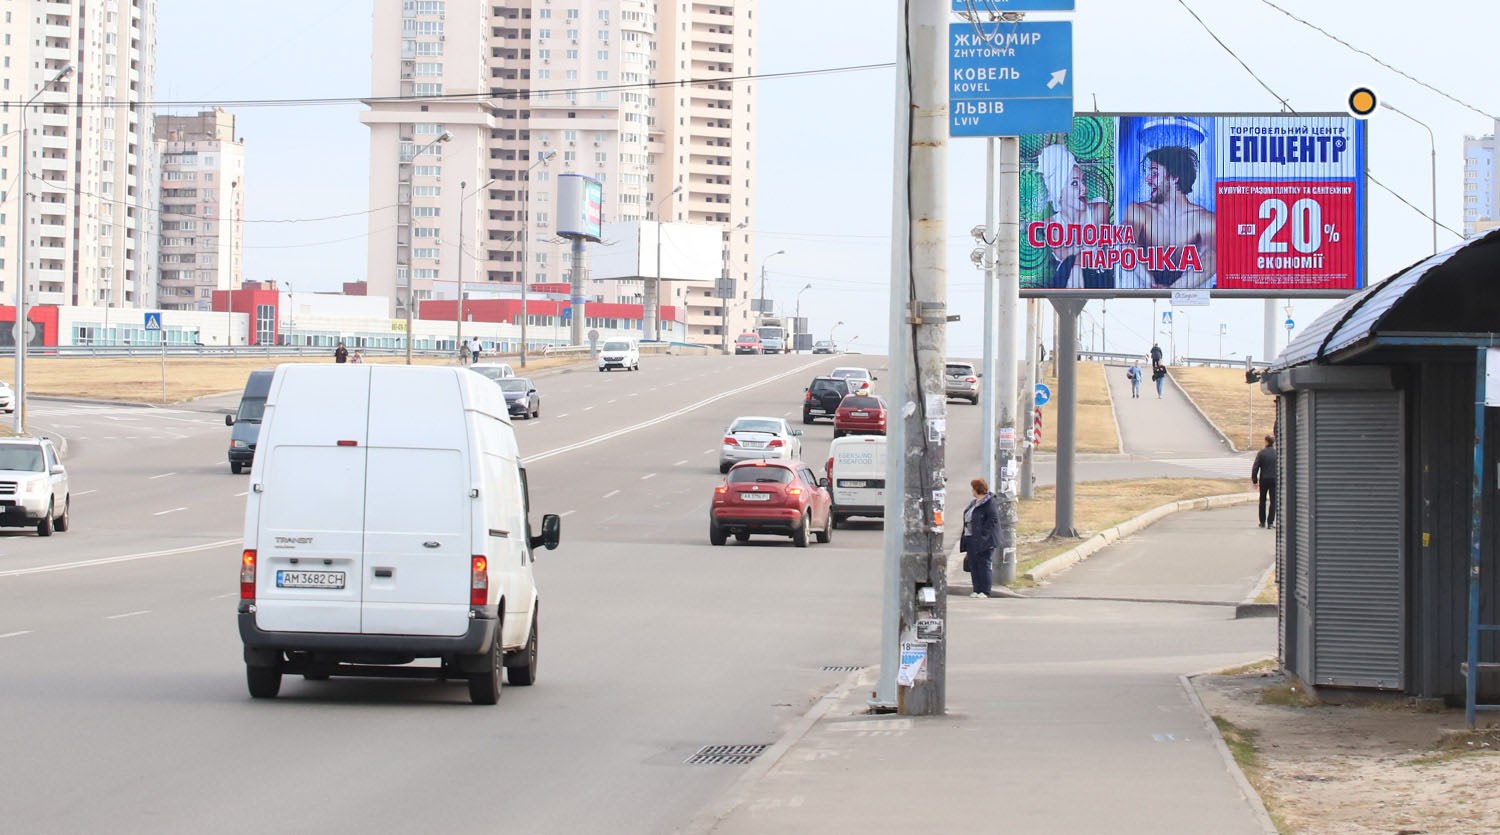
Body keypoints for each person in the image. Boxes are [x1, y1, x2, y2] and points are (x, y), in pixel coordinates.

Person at [1122, 146, 1217, 289]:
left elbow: (1212, 258)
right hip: (1144, 289)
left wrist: (1173, 290)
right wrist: (1150, 283)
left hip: (1183, 292)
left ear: (1174, 178)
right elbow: (1126, 245)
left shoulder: (1204, 219)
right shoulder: (1138, 210)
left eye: (1154, 174)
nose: (1148, 180)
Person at [1037, 144, 1115, 289]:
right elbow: (1064, 255)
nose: (1084, 188)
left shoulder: (1099, 210)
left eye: (1083, 181)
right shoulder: (1050, 224)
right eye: (1075, 183)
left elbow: (1093, 247)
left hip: (1097, 277)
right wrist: (1077, 260)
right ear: (1059, 192)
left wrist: (1077, 266)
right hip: (1065, 281)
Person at [960, 477, 1000, 598]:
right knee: (973, 564)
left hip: (984, 539)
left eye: (973, 489)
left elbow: (993, 519)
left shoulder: (989, 502)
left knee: (984, 564)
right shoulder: (974, 503)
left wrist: (983, 534)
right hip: (970, 537)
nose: (972, 491)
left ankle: (985, 590)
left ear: (977, 489)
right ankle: (976, 589)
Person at [1251, 434, 1278, 528]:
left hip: (1264, 479)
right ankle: (1270, 522)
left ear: (1266, 441)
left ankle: (1262, 522)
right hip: (1274, 479)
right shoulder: (1277, 453)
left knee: (1262, 500)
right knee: (1273, 501)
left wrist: (1255, 480)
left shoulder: (1261, 453)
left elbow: (1255, 467)